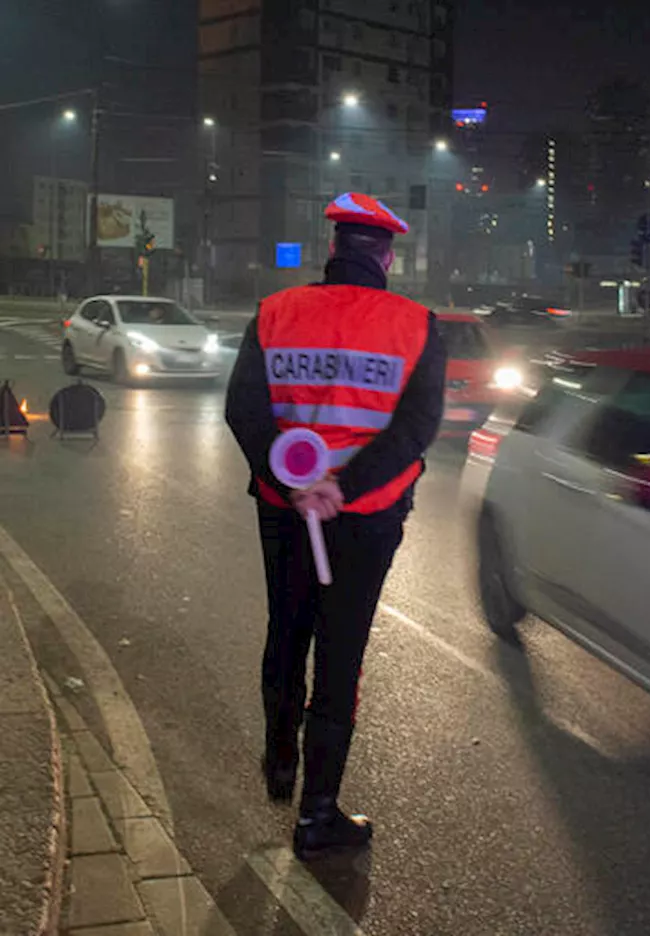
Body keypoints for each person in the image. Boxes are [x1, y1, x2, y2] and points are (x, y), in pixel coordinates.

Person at [225, 192, 447, 860]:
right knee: (340, 650)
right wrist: (340, 488)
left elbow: (244, 409)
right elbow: (415, 430)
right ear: (386, 255)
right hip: (365, 517)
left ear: (333, 248)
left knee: (285, 628)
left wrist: (294, 481)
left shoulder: (275, 312)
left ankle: (279, 760)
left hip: (283, 506)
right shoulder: (417, 324)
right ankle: (317, 813)